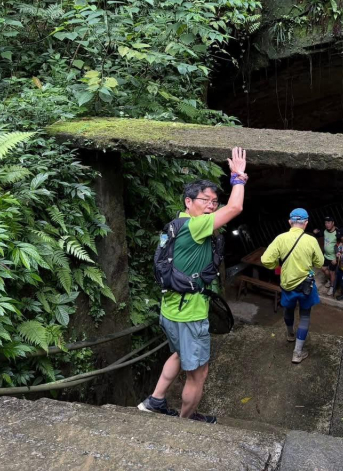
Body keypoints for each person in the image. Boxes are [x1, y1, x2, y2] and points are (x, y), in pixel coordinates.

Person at [138, 147, 248, 423]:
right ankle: (185, 422)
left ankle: (155, 401)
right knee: (198, 374)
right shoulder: (195, 227)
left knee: (178, 354)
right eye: (205, 200)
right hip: (189, 314)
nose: (211, 205)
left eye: (215, 202)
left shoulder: (176, 225)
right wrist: (238, 177)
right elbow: (235, 207)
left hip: (171, 310)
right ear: (189, 201)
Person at [261, 208, 324, 364]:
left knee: (288, 309)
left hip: (287, 284)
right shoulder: (311, 240)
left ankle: (290, 334)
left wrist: (277, 265)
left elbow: (266, 260)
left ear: (290, 222)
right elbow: (320, 263)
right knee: (305, 315)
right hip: (305, 285)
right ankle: (297, 353)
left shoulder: (280, 238)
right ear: (306, 223)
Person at [313, 215, 337, 295]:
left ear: (333, 223)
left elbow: (341, 245)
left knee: (332, 272)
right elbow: (319, 234)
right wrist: (316, 232)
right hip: (326, 255)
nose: (327, 224)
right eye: (326, 223)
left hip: (333, 257)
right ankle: (330, 280)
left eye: (329, 222)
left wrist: (336, 258)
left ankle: (332, 287)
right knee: (323, 269)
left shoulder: (337, 232)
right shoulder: (325, 231)